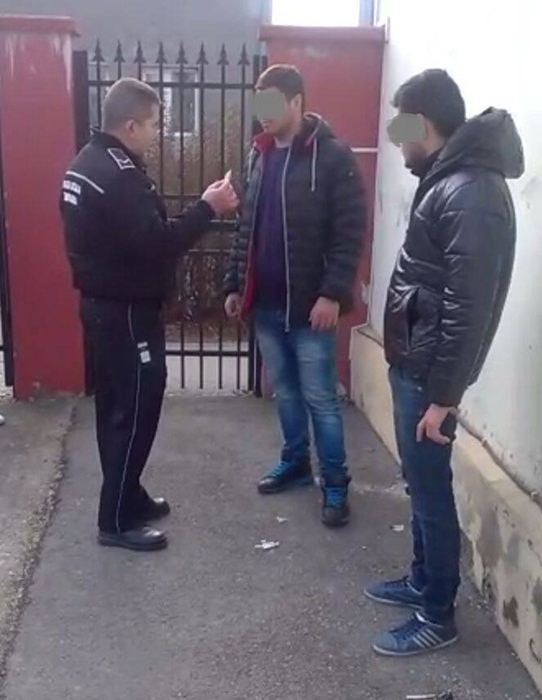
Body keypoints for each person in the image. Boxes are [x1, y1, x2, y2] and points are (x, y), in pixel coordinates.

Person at [364, 69, 524, 656]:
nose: (396, 140)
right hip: (418, 365)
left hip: (430, 378)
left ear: (423, 124)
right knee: (420, 484)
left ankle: (437, 614)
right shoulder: (449, 180)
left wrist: (444, 397)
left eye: (401, 127)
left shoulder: (471, 192)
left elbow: (468, 307)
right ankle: (420, 580)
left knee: (431, 493)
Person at [60, 78, 238, 552]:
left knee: (114, 408)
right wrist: (208, 207)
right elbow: (158, 242)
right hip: (125, 310)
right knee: (136, 409)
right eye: (155, 124)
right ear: (131, 125)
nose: (158, 133)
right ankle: (116, 519)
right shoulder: (118, 175)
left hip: (103, 306)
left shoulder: (85, 162)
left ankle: (129, 494)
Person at [224, 65, 365, 528]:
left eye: (271, 104)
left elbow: (349, 233)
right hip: (266, 304)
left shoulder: (333, 156)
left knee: (320, 398)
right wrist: (233, 283)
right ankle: (296, 462)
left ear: (297, 102)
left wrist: (332, 294)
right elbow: (247, 227)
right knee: (285, 392)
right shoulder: (259, 155)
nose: (262, 114)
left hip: (311, 308)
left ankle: (336, 483)